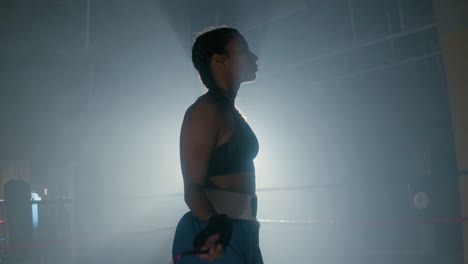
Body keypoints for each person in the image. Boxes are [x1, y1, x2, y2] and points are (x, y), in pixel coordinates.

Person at [171, 26, 263, 264]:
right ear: (219, 60)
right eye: (244, 50)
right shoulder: (205, 111)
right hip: (215, 238)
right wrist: (216, 227)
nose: (254, 57)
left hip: (240, 232)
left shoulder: (228, 111)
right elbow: (192, 188)